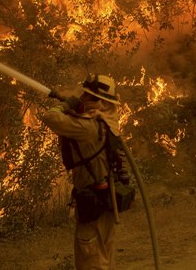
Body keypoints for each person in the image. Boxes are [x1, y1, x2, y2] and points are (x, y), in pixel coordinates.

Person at [40, 74, 122, 270]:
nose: (82, 97)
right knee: (104, 256)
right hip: (107, 201)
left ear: (97, 101)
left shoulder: (87, 127)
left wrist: (66, 105)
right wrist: (79, 109)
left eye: (86, 95)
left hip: (93, 203)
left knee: (90, 260)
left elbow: (49, 116)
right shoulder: (107, 123)